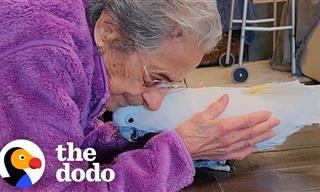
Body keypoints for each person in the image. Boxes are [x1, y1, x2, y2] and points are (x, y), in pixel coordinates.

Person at [0, 0, 279, 191]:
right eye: (154, 79)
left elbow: (67, 144)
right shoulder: (40, 58)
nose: (156, 102)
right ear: (109, 33)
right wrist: (177, 154)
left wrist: (154, 136)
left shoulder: (77, 35)